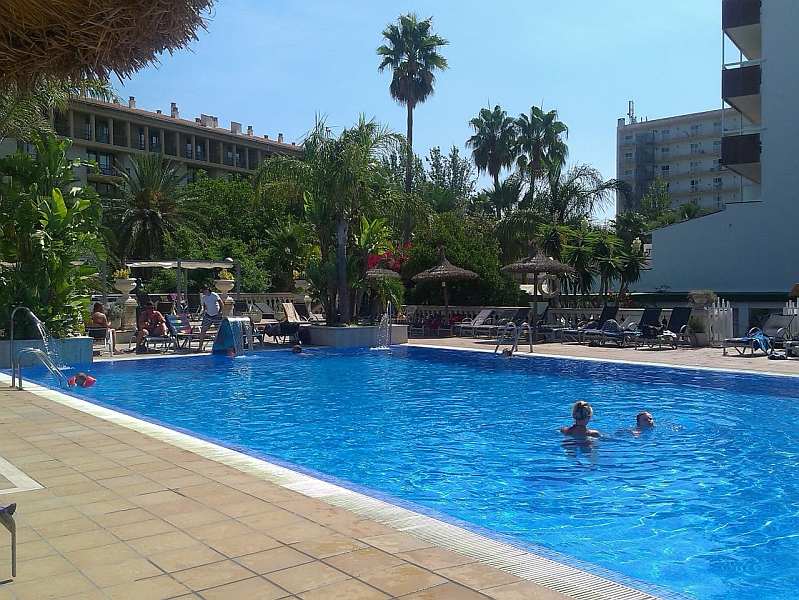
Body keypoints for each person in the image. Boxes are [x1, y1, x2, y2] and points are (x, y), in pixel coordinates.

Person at [197, 285, 223, 352]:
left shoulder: (214, 295)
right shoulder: (203, 297)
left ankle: (222, 347)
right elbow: (204, 307)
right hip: (208, 315)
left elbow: (221, 304)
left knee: (220, 331)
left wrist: (219, 312)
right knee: (203, 330)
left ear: (207, 290)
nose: (202, 292)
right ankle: (200, 347)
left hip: (216, 315)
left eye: (203, 291)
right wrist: (201, 314)